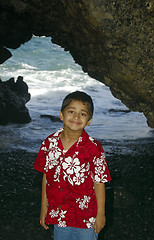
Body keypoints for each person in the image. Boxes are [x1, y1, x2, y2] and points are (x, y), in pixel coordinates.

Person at [34, 91, 111, 240]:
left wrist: (100, 214)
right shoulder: (49, 143)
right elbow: (46, 177)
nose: (76, 117)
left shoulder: (94, 148)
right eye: (71, 111)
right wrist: (44, 207)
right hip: (59, 213)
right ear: (61, 115)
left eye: (82, 114)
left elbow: (99, 182)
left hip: (86, 216)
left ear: (89, 120)